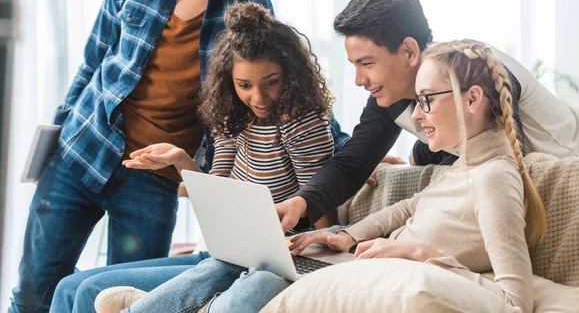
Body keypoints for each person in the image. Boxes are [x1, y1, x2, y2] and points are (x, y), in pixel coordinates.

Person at [10, 0, 349, 312]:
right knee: (35, 290)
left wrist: (346, 151)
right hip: (84, 151)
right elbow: (91, 65)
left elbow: (280, 71)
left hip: (154, 178)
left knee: (118, 296)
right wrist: (52, 144)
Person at [98, 39, 547, 313]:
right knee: (256, 258)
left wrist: (418, 251)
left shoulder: (493, 178)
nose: (418, 113)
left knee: (266, 276)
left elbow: (514, 301)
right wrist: (345, 236)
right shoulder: (465, 166)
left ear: (471, 100)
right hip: (364, 256)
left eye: (428, 99)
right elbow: (409, 207)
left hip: (390, 271)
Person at [50, 1, 337, 313]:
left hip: (271, 259)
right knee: (69, 288)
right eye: (244, 85)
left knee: (91, 290)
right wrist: (180, 160)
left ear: (290, 75)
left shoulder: (302, 123)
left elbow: (320, 205)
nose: (258, 97)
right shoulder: (232, 115)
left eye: (271, 82)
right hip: (227, 251)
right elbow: (218, 194)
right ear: (230, 81)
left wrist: (320, 253)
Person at [275, 0, 579, 234]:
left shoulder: (476, 76)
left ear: (409, 51)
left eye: (366, 63)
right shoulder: (391, 95)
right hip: (484, 147)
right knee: (428, 149)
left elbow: (498, 173)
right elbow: (350, 164)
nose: (359, 79)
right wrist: (301, 202)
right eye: (354, 66)